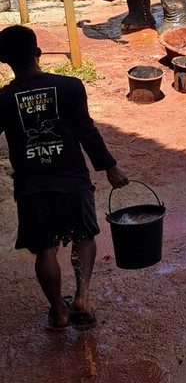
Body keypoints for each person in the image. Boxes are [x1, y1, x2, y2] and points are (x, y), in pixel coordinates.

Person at [0, 25, 128, 331]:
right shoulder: (69, 87)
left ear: (5, 62)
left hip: (32, 186)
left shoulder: (3, 99)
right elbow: (86, 131)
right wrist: (110, 167)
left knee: (44, 248)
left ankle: (58, 312)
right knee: (84, 236)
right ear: (38, 54)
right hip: (72, 179)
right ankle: (82, 297)